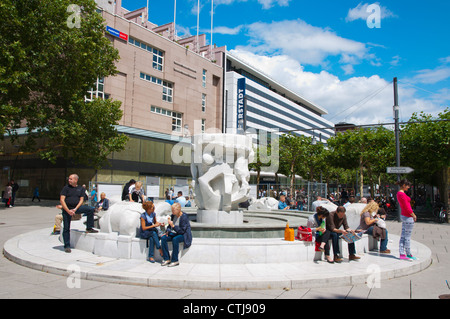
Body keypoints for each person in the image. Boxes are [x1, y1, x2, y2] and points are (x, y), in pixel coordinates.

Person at [60, 174, 98, 253]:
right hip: (67, 209)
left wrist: (75, 209)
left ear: (76, 180)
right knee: (66, 228)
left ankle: (89, 227)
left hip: (76, 208)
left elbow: (81, 200)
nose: (69, 180)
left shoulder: (81, 189)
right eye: (69, 179)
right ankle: (67, 245)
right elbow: (62, 200)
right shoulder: (65, 188)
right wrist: (68, 210)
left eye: (71, 179)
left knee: (90, 209)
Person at [160, 202, 193, 267]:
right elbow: (169, 227)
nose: (172, 212)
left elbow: (182, 231)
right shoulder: (173, 216)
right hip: (174, 233)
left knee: (175, 239)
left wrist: (173, 226)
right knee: (163, 238)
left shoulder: (184, 217)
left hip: (183, 235)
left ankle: (175, 260)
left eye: (173, 210)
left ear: (178, 210)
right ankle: (166, 258)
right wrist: (167, 231)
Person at [396, 179, 418, 261]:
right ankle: (408, 253)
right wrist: (413, 215)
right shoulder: (401, 194)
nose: (408, 187)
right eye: (407, 185)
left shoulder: (399, 194)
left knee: (403, 235)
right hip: (408, 216)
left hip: (404, 215)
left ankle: (402, 253)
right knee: (407, 236)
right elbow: (407, 206)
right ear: (404, 185)